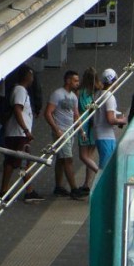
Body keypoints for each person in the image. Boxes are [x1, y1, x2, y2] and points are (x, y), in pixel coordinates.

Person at [0, 64, 44, 203]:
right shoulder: (20, 90)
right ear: (27, 76)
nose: (33, 78)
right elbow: (18, 110)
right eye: (31, 75)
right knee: (13, 161)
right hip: (17, 133)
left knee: (23, 161)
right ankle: (4, 192)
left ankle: (28, 191)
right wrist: (25, 130)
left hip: (18, 133)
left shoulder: (21, 90)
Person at [44, 70, 86, 199]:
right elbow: (48, 112)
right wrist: (56, 129)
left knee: (61, 160)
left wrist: (81, 130)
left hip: (70, 131)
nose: (77, 83)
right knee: (68, 159)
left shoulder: (73, 96)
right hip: (62, 132)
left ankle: (59, 186)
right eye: (75, 80)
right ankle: (74, 188)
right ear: (68, 80)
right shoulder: (57, 94)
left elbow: (76, 114)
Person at [93, 68, 127, 169]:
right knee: (106, 166)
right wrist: (122, 121)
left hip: (98, 133)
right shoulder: (109, 96)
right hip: (106, 135)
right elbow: (111, 119)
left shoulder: (98, 94)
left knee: (106, 163)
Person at [77, 67, 100, 195]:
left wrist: (80, 130)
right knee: (89, 156)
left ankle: (99, 173)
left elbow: (78, 111)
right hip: (95, 125)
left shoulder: (81, 93)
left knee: (83, 156)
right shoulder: (99, 91)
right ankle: (86, 183)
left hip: (84, 125)